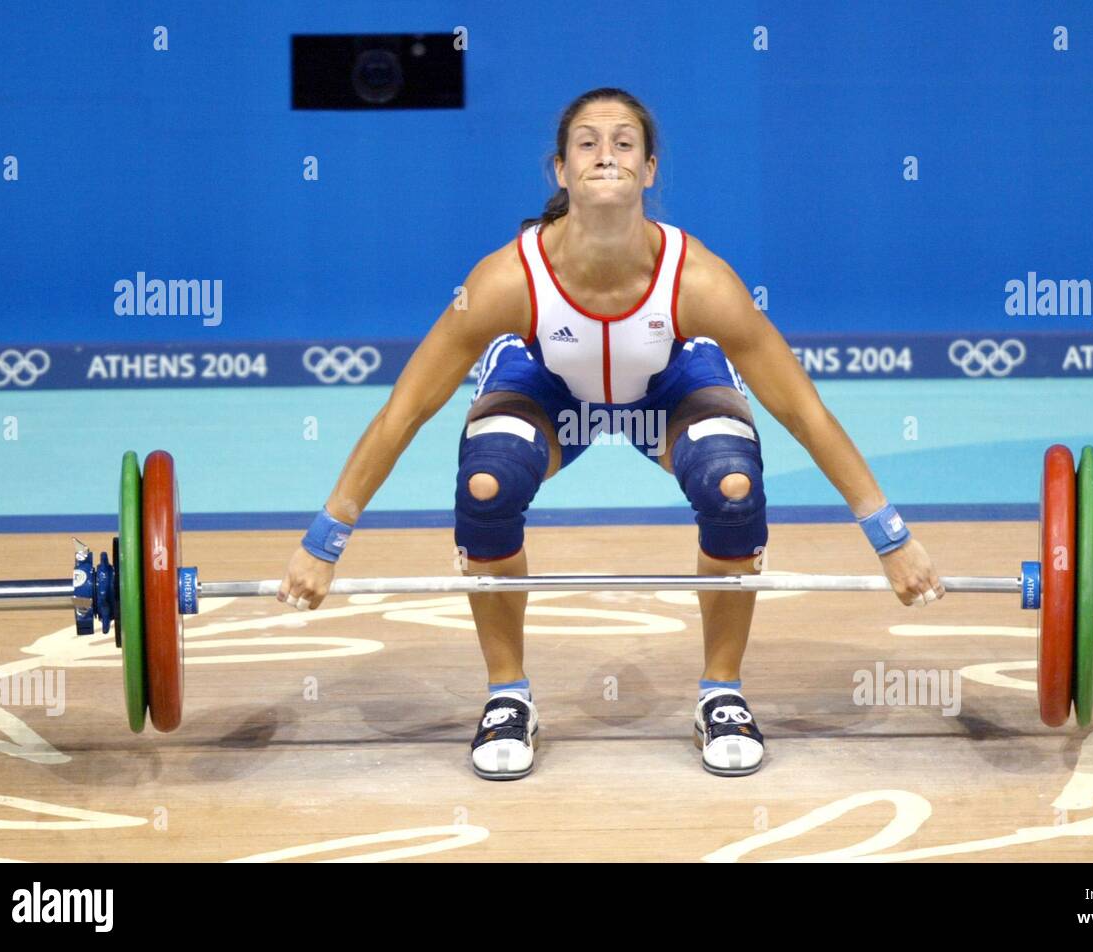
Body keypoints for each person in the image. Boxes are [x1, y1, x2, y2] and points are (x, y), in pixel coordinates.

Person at [278, 87, 945, 781]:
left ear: (649, 170)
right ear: (561, 171)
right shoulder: (506, 281)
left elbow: (804, 412)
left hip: (665, 389)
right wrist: (323, 541)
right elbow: (404, 411)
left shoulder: (703, 282)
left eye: (624, 142)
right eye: (587, 143)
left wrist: (890, 537)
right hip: (551, 390)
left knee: (733, 483)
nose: (606, 154)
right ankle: (508, 697)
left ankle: (722, 694)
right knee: (487, 480)